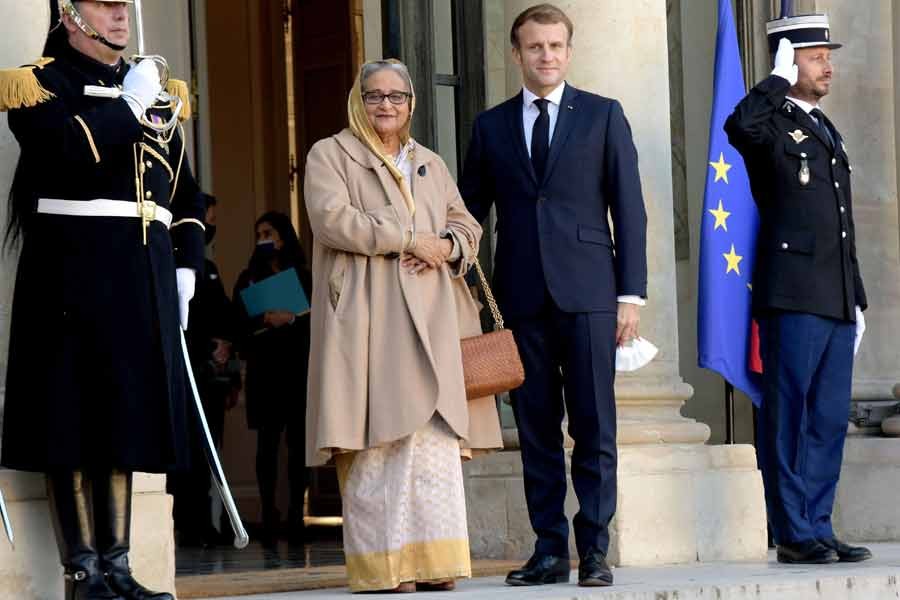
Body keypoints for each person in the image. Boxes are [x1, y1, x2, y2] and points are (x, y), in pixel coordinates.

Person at [0, 1, 204, 599]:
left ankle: (117, 566)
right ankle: (82, 572)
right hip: (72, 271)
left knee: (123, 419)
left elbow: (185, 191)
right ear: (72, 15)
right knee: (71, 419)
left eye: (124, 7)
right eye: (105, 6)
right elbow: (72, 150)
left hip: (142, 272)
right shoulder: (38, 85)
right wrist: (132, 106)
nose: (121, 17)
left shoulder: (152, 85)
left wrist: (186, 266)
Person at [459, 3, 647, 588]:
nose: (546, 56)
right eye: (535, 47)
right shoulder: (490, 126)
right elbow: (468, 215)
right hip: (520, 297)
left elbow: (630, 210)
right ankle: (547, 549)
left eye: (556, 46)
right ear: (516, 53)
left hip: (591, 293)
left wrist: (631, 297)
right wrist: (465, 290)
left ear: (569, 51)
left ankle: (594, 550)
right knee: (537, 427)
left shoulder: (603, 115)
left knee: (594, 425)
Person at [303, 58, 502, 593]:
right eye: (373, 96)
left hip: (435, 318)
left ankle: (436, 566)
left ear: (412, 104)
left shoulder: (430, 163)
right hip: (368, 319)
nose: (385, 105)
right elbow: (332, 220)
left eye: (396, 96)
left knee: (433, 445)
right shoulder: (331, 154)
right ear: (357, 101)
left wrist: (447, 244)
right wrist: (407, 238)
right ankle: (384, 570)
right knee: (375, 444)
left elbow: (464, 221)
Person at [725, 14, 871, 565]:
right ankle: (792, 531)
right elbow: (737, 127)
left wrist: (856, 296)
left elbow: (841, 223)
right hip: (792, 295)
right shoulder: (769, 124)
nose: (826, 64)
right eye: (814, 56)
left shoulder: (824, 128)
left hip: (833, 296)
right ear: (787, 60)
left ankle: (819, 523)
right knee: (790, 415)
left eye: (826, 54)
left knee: (829, 417)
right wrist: (775, 83)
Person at [233, 211, 312, 549]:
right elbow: (236, 323)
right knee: (266, 446)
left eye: (269, 232)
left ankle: (296, 514)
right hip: (265, 372)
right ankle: (268, 515)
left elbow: (320, 320)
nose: (263, 238)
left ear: (283, 236)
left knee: (298, 446)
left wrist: (291, 318)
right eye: (258, 233)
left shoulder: (305, 277)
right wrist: (263, 318)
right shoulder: (248, 277)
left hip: (297, 370)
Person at [170, 193, 239, 548]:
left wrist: (226, 345)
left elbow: (223, 315)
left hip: (211, 375)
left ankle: (207, 521)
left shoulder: (208, 268)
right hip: (186, 373)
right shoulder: (173, 263)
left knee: (210, 452)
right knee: (188, 454)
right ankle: (189, 521)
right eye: (206, 219)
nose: (210, 227)